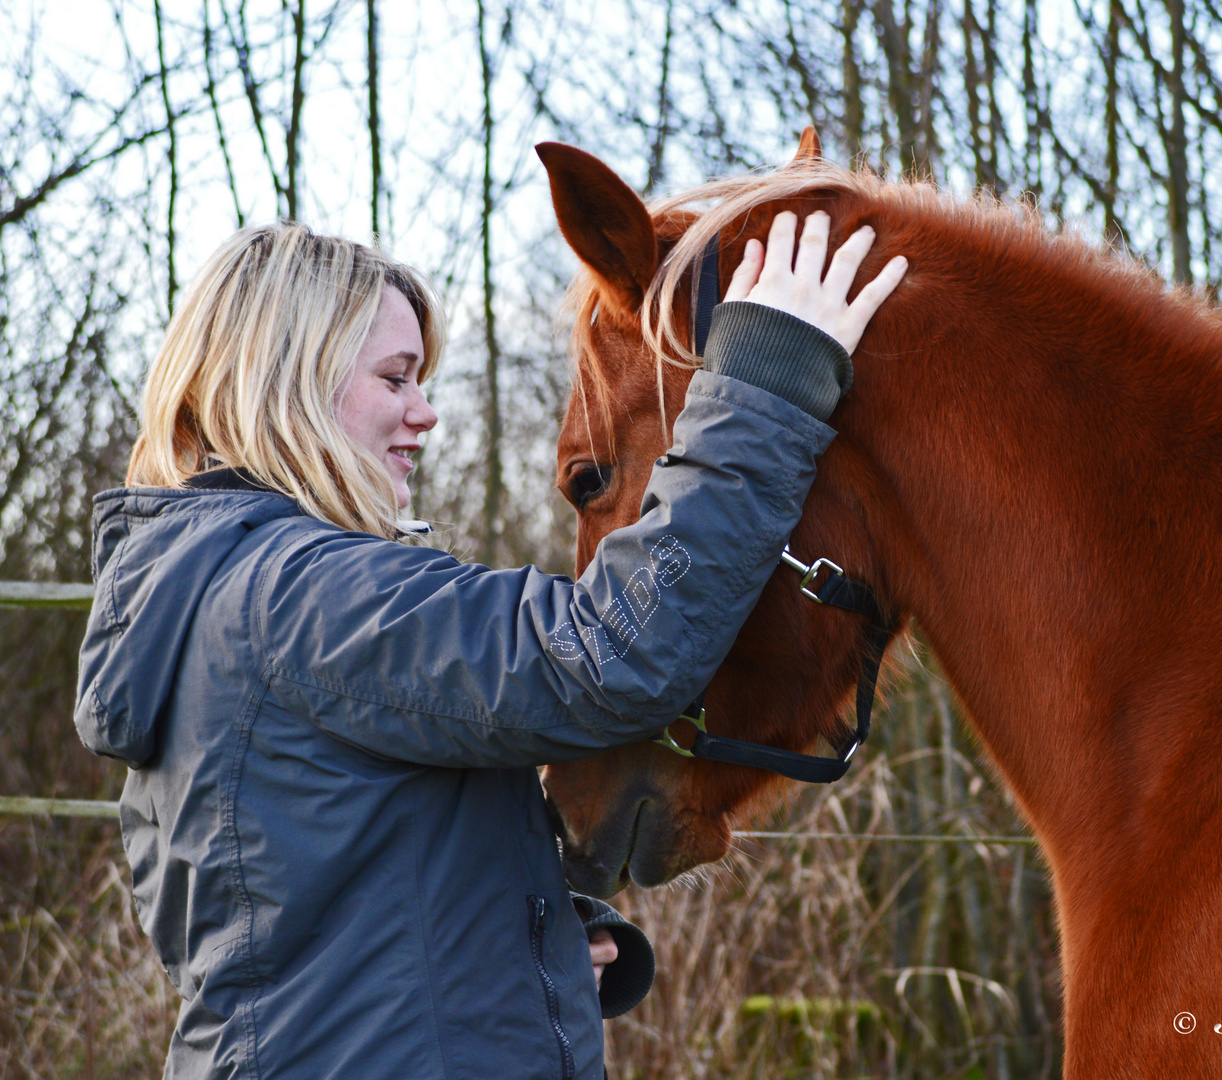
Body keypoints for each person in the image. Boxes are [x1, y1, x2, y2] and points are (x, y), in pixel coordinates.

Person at [74, 211, 907, 1080]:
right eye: (396, 379)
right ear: (288, 382)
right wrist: (767, 380)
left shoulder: (210, 596)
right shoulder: (302, 594)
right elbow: (608, 653)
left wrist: (517, 944)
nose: (425, 414)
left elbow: (313, 894)